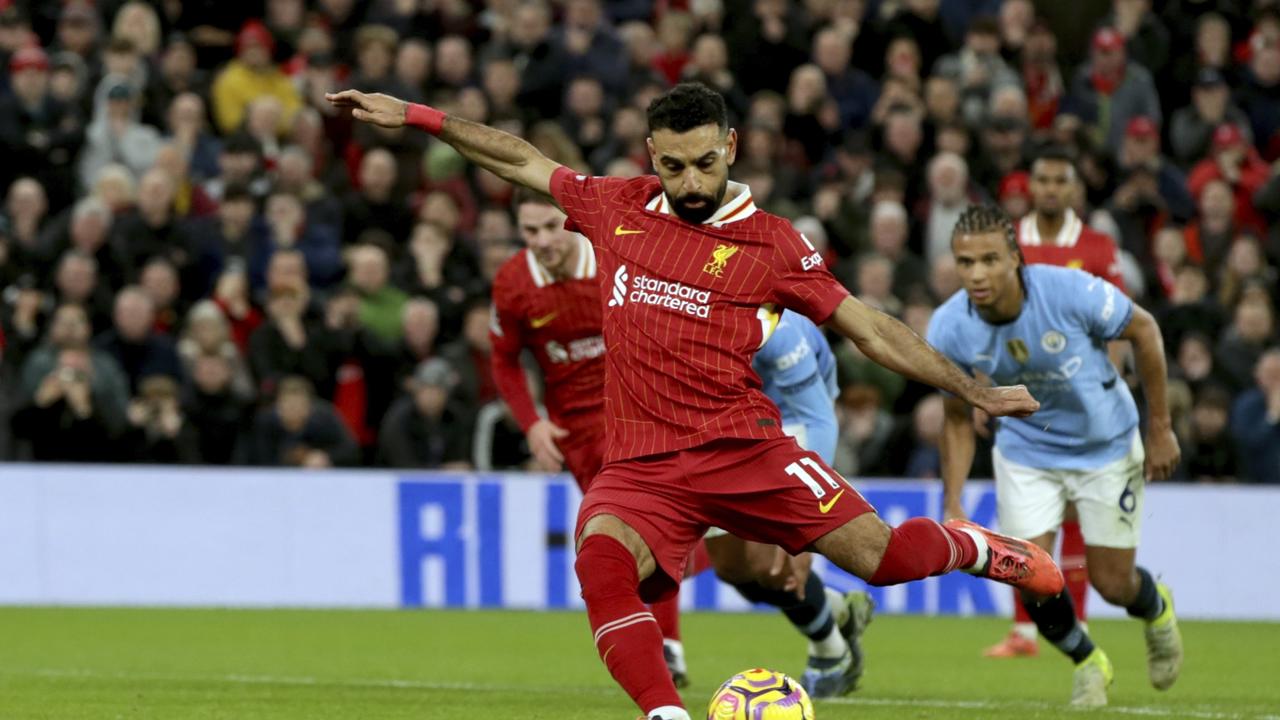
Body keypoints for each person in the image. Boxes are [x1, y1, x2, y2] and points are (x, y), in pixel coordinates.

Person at [329, 82, 1060, 720]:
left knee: (885, 560)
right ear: (651, 154)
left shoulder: (773, 245)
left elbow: (869, 328)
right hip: (642, 463)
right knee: (600, 563)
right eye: (673, 164)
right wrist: (419, 118)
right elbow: (520, 158)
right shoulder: (616, 207)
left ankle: (979, 546)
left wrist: (975, 391)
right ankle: (666, 714)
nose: (690, 181)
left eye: (706, 162)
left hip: (744, 448)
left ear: (732, 148)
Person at [489, 189, 872, 698]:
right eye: (528, 231)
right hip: (696, 424)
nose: (541, 241)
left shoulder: (780, 329)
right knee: (735, 568)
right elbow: (507, 358)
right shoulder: (659, 303)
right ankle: (835, 617)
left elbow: (816, 415)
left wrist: (810, 525)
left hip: (789, 418)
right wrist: (533, 421)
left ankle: (823, 649)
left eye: (547, 227)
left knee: (768, 559)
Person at [928, 205, 1184, 707]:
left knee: (1113, 584)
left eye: (988, 260)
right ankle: (1088, 661)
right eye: (965, 262)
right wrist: (953, 502)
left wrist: (1160, 428)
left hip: (1105, 446)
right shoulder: (950, 326)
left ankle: (1156, 611)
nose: (976, 274)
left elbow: (1146, 330)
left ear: (1015, 259)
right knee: (1029, 576)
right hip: (1027, 454)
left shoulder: (1068, 291)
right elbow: (956, 418)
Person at [982, 147, 1128, 659]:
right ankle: (1025, 633)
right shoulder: (1005, 242)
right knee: (1025, 522)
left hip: (1081, 401)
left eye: (1059, 181)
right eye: (1041, 179)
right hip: (1020, 400)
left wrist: (1107, 388)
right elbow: (980, 319)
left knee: (1077, 519)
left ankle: (1076, 623)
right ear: (1031, 185)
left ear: (1074, 188)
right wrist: (980, 388)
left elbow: (1119, 323)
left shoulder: (1096, 247)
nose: (1048, 189)